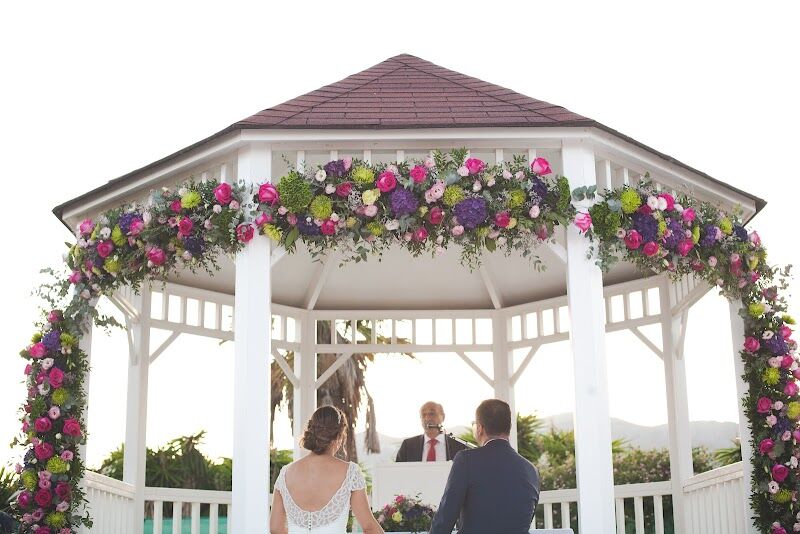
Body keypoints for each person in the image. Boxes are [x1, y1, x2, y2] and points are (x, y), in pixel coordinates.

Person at [429, 399, 540, 534]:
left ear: (480, 428)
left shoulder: (466, 460)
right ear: (509, 427)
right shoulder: (532, 470)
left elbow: (445, 518)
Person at [270, 405, 384, 534]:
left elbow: (275, 528)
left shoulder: (286, 473)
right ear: (339, 436)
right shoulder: (350, 472)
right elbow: (369, 527)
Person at [395, 401, 468, 462]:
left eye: (432, 414)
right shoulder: (408, 446)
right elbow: (397, 472)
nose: (427, 418)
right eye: (423, 415)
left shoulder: (459, 446)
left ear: (443, 417)